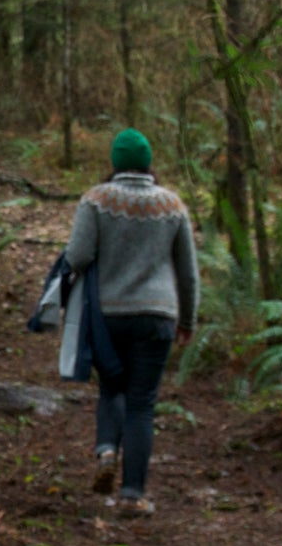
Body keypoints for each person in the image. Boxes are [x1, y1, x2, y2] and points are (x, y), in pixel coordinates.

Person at [62, 128, 199, 515]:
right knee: (142, 404)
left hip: (107, 315)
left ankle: (106, 450)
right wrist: (187, 319)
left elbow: (77, 255)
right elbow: (188, 273)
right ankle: (132, 496)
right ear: (148, 162)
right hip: (158, 316)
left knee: (111, 388)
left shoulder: (96, 200)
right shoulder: (172, 205)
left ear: (115, 162)